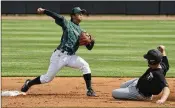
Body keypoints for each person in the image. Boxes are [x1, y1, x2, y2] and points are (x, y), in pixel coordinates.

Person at [21, 7, 96, 96]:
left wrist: (91, 42)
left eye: (81, 13)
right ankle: (29, 83)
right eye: (79, 13)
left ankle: (89, 90)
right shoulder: (67, 24)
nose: (81, 15)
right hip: (60, 55)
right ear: (73, 16)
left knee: (85, 65)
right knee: (47, 78)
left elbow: (89, 48)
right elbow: (58, 17)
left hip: (71, 56)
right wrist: (44, 11)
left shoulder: (82, 31)